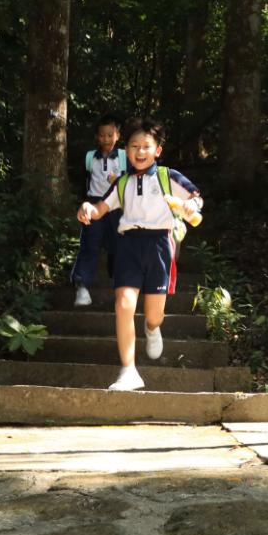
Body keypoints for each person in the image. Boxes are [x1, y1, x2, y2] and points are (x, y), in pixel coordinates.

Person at [77, 117, 203, 391]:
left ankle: (152, 328)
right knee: (123, 304)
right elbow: (101, 208)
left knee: (154, 313)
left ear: (157, 150)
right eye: (134, 146)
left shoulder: (168, 176)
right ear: (127, 150)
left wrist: (191, 206)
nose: (140, 151)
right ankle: (129, 370)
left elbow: (196, 196)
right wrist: (88, 209)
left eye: (146, 146)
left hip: (159, 245)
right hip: (128, 245)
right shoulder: (121, 183)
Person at [70, 115, 125, 307]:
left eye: (110, 135)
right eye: (102, 135)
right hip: (94, 204)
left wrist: (117, 182)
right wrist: (84, 202)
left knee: (119, 246)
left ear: (117, 135)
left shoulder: (125, 156)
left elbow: (131, 183)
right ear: (97, 137)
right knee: (90, 243)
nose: (107, 139)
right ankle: (82, 287)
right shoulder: (89, 157)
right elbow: (83, 181)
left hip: (118, 206)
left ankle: (122, 287)